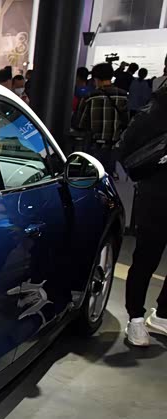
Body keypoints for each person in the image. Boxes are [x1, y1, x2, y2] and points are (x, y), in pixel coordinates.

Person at [117, 85, 167, 346]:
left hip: (155, 192)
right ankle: (135, 318)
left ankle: (163, 314)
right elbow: (127, 147)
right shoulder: (155, 109)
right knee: (146, 258)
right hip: (157, 194)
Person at [76, 62, 129, 175]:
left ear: (96, 79)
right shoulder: (123, 96)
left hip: (95, 145)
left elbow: (81, 123)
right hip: (114, 145)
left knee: (92, 176)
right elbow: (126, 121)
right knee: (108, 175)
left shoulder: (90, 97)